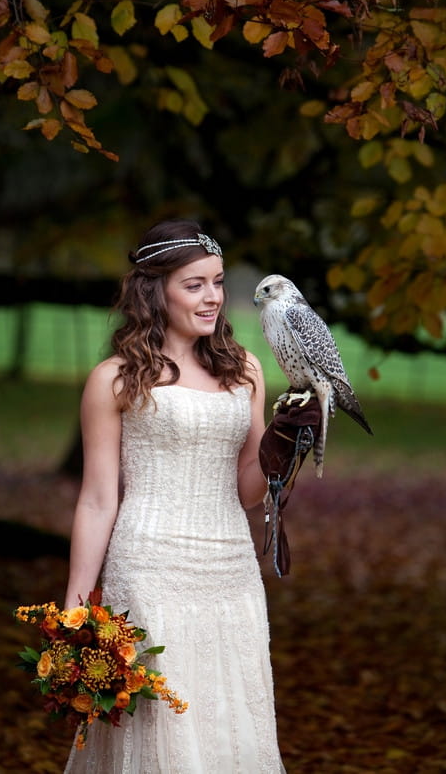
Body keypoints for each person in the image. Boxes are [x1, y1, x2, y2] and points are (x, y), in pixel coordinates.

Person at [62, 218, 286, 773]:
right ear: (155, 290)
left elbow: (250, 490)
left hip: (231, 571)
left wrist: (289, 444)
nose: (213, 297)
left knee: (230, 725)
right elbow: (96, 499)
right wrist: (75, 606)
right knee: (164, 735)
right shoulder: (115, 379)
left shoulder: (246, 371)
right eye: (195, 284)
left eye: (218, 281)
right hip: (149, 569)